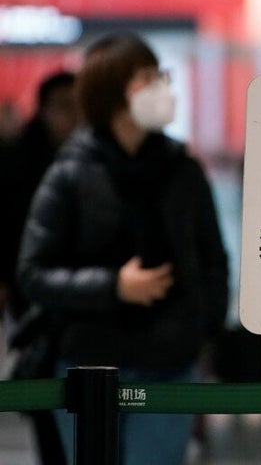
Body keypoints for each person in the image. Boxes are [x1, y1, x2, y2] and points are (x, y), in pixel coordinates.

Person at [16, 32, 229, 464]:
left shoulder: (182, 170)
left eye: (160, 75)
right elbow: (34, 273)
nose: (162, 87)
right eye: (147, 78)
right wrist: (113, 286)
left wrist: (200, 331)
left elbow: (212, 260)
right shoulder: (70, 173)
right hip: (88, 364)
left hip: (170, 363)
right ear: (112, 93)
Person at [0, 71, 78, 465]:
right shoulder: (16, 162)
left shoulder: (94, 158)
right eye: (64, 107)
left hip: (85, 304)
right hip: (33, 303)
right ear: (44, 110)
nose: (74, 117)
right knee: (49, 394)